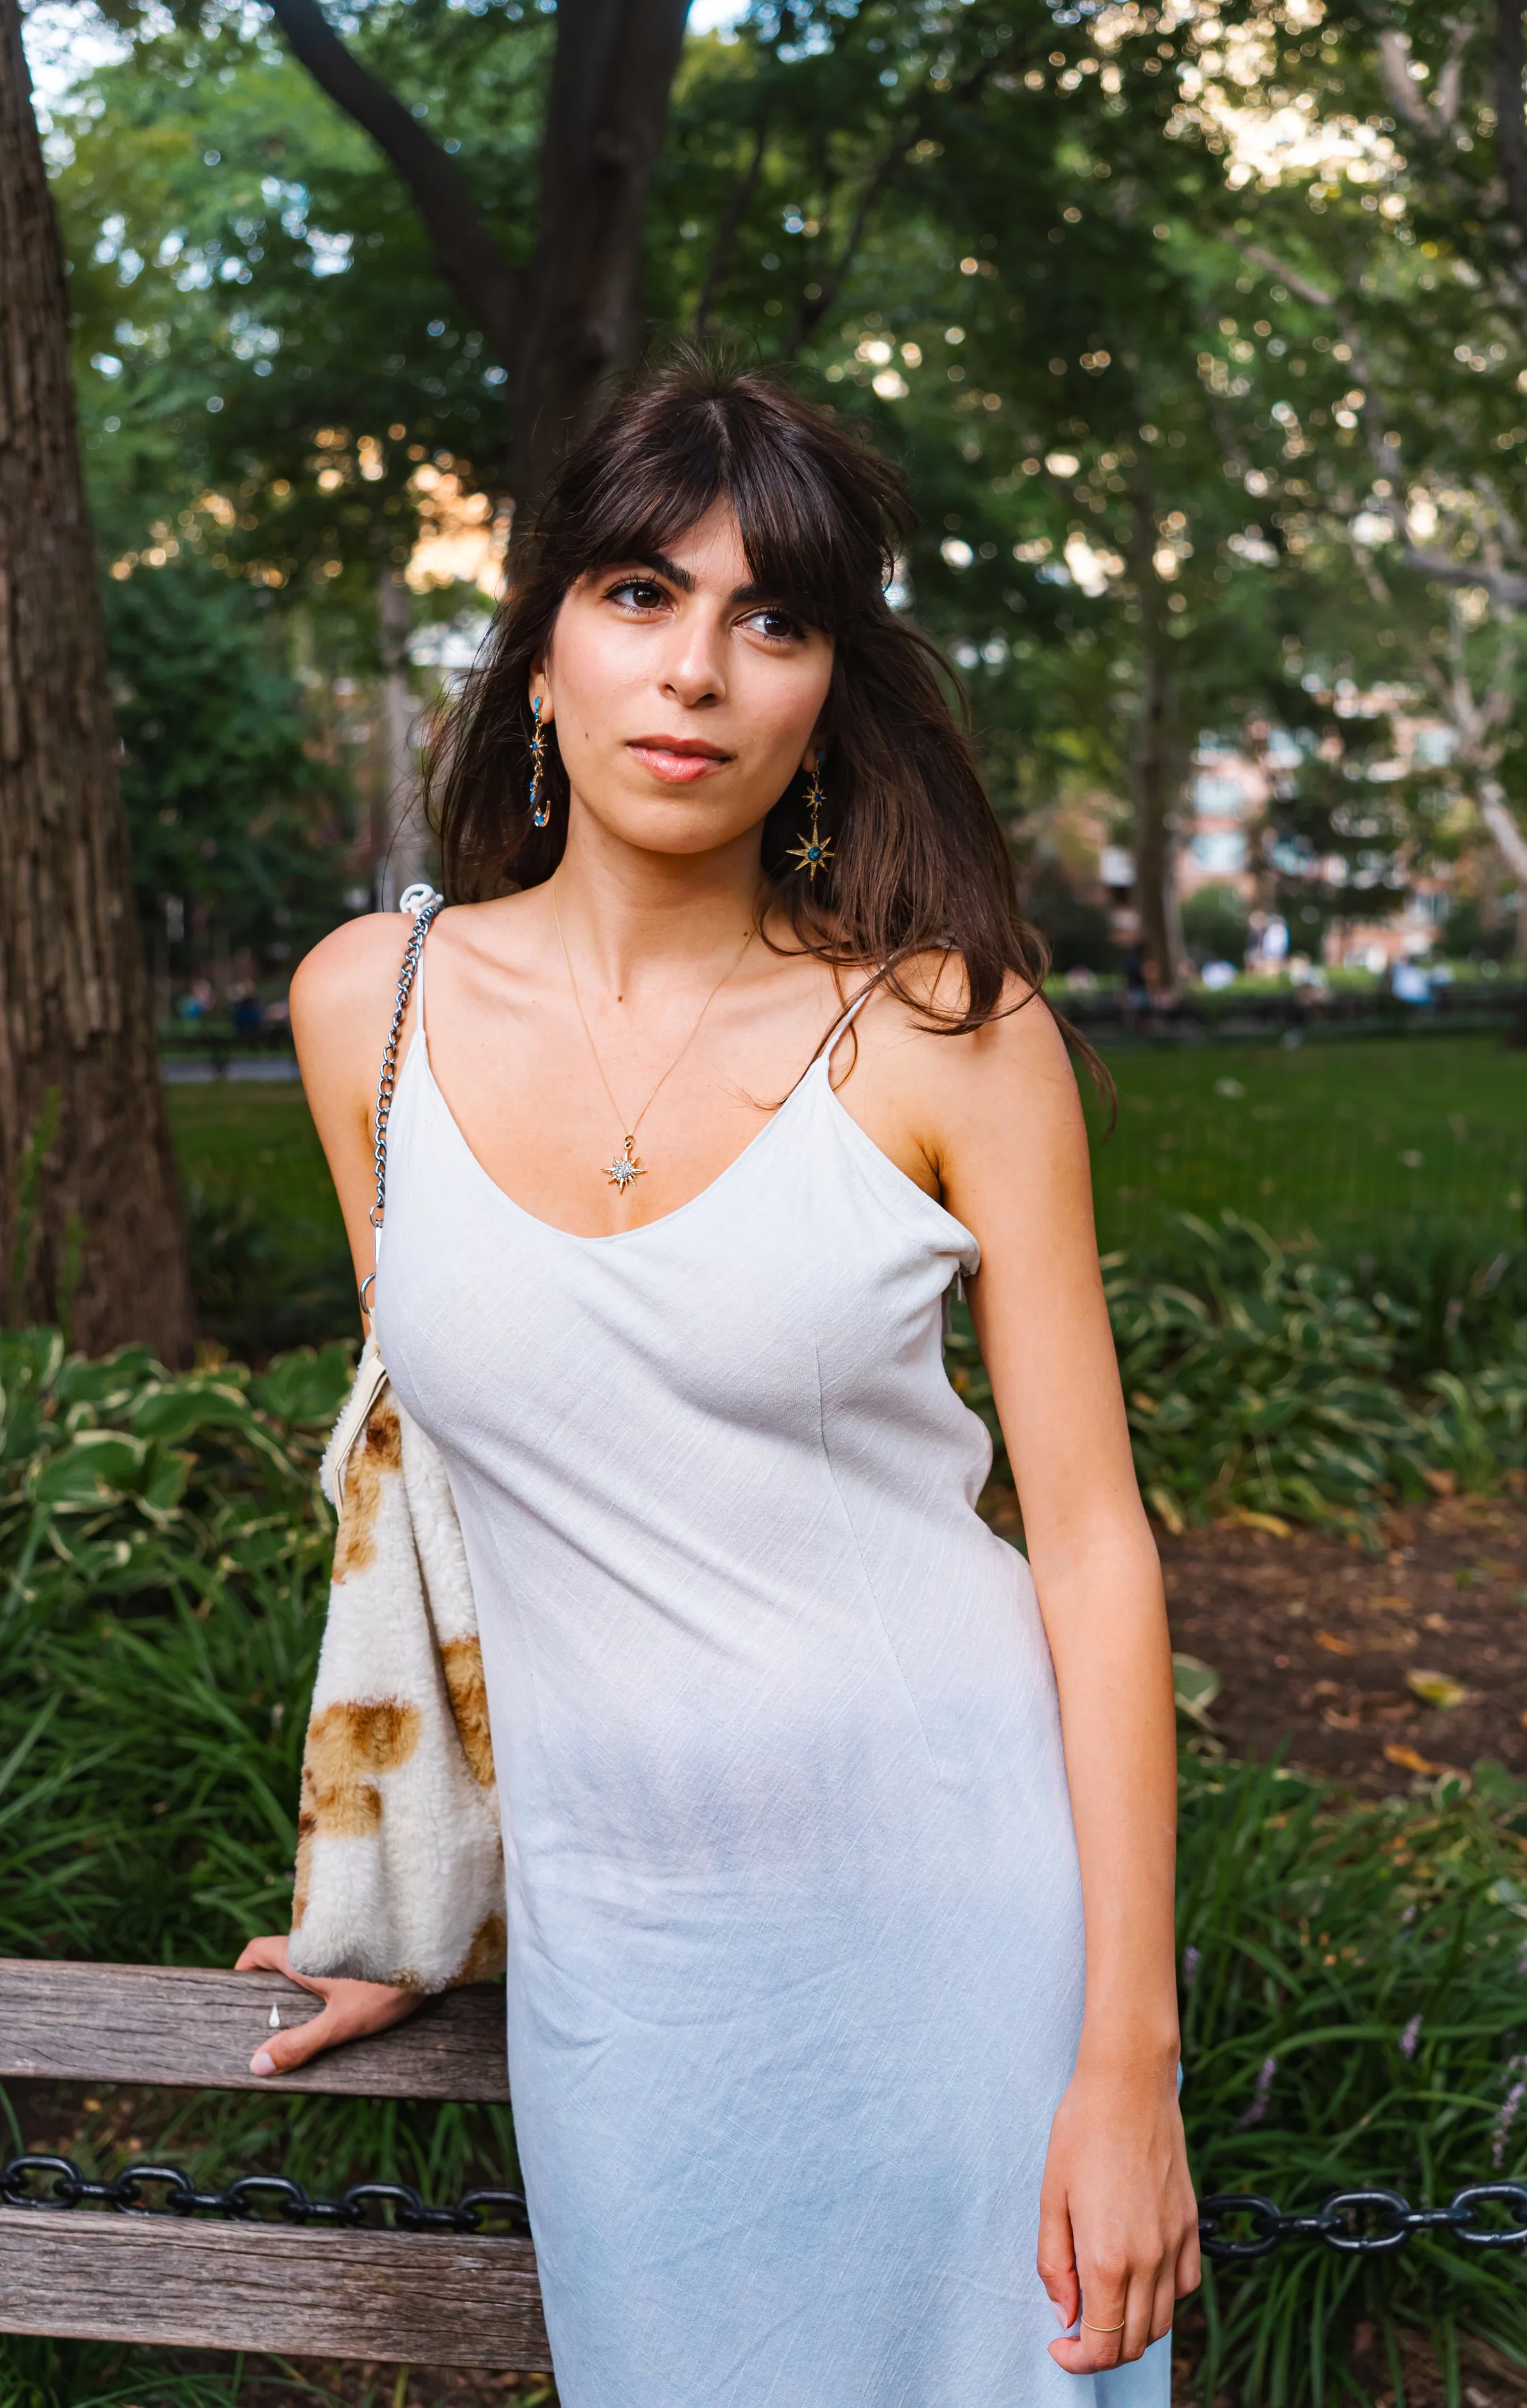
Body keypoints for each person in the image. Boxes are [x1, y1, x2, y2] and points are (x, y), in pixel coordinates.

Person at [238, 362, 1196, 2406]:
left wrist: (1125, 2059)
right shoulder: (365, 1011)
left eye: (771, 618)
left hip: (966, 1932)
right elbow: (456, 1492)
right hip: (637, 1982)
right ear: (539, 655)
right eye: (637, 593)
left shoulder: (944, 1033)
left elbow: (1092, 1542)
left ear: (827, 690)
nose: (695, 673)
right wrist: (400, 1892)